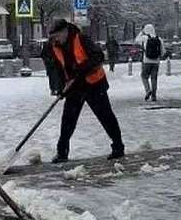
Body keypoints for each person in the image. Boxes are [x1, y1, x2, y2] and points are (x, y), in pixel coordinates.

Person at [45, 19, 125, 163]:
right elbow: (57, 69)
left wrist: (82, 69)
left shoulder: (81, 38)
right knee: (68, 119)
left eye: (57, 36)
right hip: (75, 87)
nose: (55, 40)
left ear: (65, 32)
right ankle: (62, 152)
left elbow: (98, 57)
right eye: (53, 37)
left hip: (94, 84)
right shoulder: (54, 46)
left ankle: (118, 147)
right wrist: (60, 87)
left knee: (105, 116)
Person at [136, 23, 164, 101]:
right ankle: (154, 96)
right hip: (156, 62)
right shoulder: (159, 39)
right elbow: (162, 52)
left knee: (144, 76)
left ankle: (148, 90)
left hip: (146, 61)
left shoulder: (144, 38)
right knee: (154, 78)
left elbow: (136, 40)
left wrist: (142, 32)